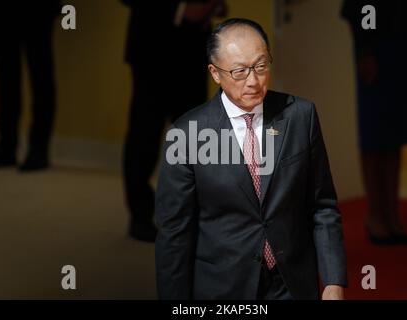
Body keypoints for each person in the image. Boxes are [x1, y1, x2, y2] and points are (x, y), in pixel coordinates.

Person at [155, 18, 347, 300]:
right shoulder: (187, 134)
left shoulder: (300, 116)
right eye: (240, 71)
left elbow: (322, 205)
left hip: (291, 281)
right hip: (224, 286)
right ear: (215, 73)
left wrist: (333, 280)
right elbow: (175, 234)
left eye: (260, 66)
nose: (254, 81)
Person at [121, 0, 226, 242]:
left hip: (193, 49)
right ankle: (140, 216)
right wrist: (179, 9)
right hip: (152, 45)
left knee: (194, 138)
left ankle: (190, 216)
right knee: (144, 134)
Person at [341, 0, 407, 245]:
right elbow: (361, 6)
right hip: (377, 45)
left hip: (405, 41)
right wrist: (365, 50)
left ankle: (392, 215)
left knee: (396, 131)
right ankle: (375, 215)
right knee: (375, 129)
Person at [0, 1, 60, 171]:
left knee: (39, 77)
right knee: (7, 77)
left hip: (38, 8)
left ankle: (37, 149)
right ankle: (7, 145)